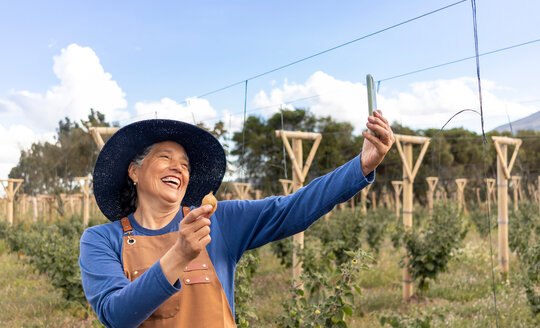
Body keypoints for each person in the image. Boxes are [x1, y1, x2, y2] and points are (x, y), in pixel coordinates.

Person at [79, 110, 394, 327]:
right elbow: (116, 315)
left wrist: (362, 165)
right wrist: (180, 253)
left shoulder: (217, 221)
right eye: (165, 157)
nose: (178, 167)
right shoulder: (102, 240)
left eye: (185, 164)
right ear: (134, 171)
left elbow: (293, 208)